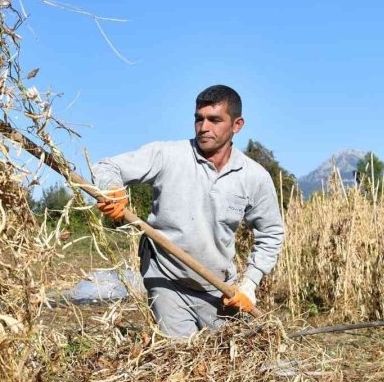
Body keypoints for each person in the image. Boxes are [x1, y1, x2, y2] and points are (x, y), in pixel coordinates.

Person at [92, 85, 285, 338]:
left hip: (219, 287)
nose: (204, 127)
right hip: (167, 279)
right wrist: (111, 190)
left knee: (227, 360)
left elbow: (271, 233)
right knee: (180, 357)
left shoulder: (254, 177)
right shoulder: (168, 155)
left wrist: (249, 284)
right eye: (199, 119)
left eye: (215, 120)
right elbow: (107, 167)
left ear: (237, 125)